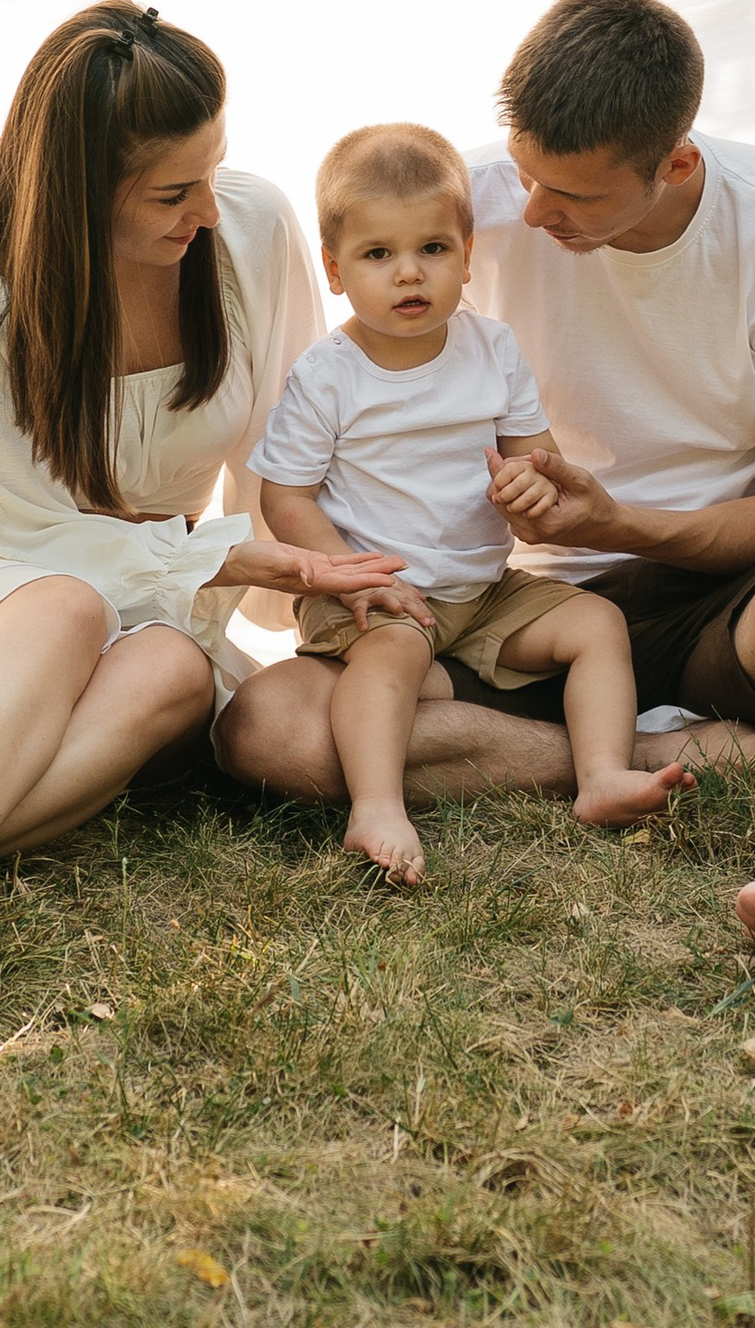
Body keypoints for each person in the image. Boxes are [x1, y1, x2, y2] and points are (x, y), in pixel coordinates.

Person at [217, 0, 755, 959]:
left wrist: (615, 523)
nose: (531, 212)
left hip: (715, 592)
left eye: (571, 196)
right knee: (267, 728)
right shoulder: (466, 206)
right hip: (502, 605)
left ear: (675, 163)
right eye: (527, 176)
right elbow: (358, 263)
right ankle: (654, 752)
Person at [0, 2, 403, 1010]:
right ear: (77, 189)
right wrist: (225, 561)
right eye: (170, 189)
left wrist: (314, 591)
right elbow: (24, 534)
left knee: (174, 665)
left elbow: (285, 445)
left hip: (149, 590)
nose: (205, 205)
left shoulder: (247, 224)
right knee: (64, 602)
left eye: (212, 167)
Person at [254, 123, 695, 884]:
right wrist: (351, 571)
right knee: (391, 654)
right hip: (373, 593)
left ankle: (602, 776)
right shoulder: (329, 376)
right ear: (334, 269)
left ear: (466, 252)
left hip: (482, 590)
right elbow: (284, 496)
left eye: (432, 248)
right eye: (377, 254)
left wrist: (530, 482)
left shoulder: (492, 349)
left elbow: (538, 455)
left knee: (596, 622)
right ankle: (378, 806)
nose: (408, 274)